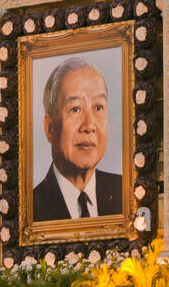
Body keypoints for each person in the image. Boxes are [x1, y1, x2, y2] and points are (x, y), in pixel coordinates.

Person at [31, 56, 122, 221]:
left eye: (98, 107)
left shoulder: (126, 193)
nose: (89, 125)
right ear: (50, 127)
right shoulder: (31, 209)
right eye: (75, 109)